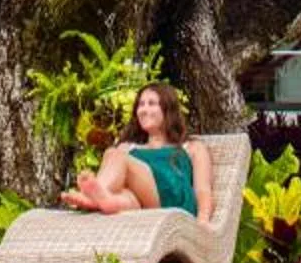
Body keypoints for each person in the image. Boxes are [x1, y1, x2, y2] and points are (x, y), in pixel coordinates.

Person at [57, 82, 207, 217]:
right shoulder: (129, 148)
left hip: (175, 205)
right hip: (144, 205)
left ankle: (91, 197)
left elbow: (203, 190)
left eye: (151, 103)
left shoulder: (191, 147)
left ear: (168, 109)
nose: (143, 109)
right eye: (141, 104)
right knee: (126, 196)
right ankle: (105, 201)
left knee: (115, 155)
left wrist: (203, 221)